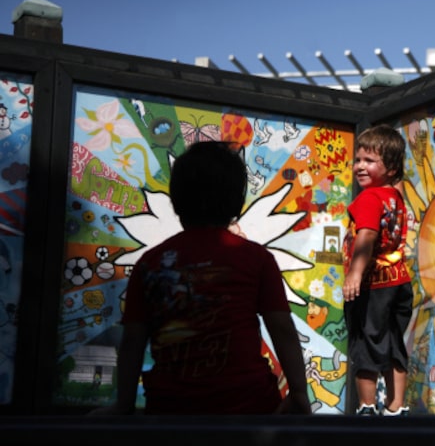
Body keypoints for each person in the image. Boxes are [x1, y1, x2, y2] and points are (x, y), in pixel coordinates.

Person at [90, 141, 311, 415]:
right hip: (249, 410)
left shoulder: (150, 264)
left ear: (175, 200)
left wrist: (122, 405)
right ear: (236, 201)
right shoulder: (257, 259)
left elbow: (133, 341)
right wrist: (299, 393)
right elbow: (282, 328)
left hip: (171, 411)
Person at [342, 124, 412, 416]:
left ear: (392, 168)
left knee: (365, 343)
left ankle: (367, 408)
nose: (360, 166)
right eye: (358, 159)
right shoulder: (393, 197)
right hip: (399, 280)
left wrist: (355, 273)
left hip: (373, 285)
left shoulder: (369, 198)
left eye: (370, 161)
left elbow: (367, 235)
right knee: (394, 341)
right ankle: (396, 407)